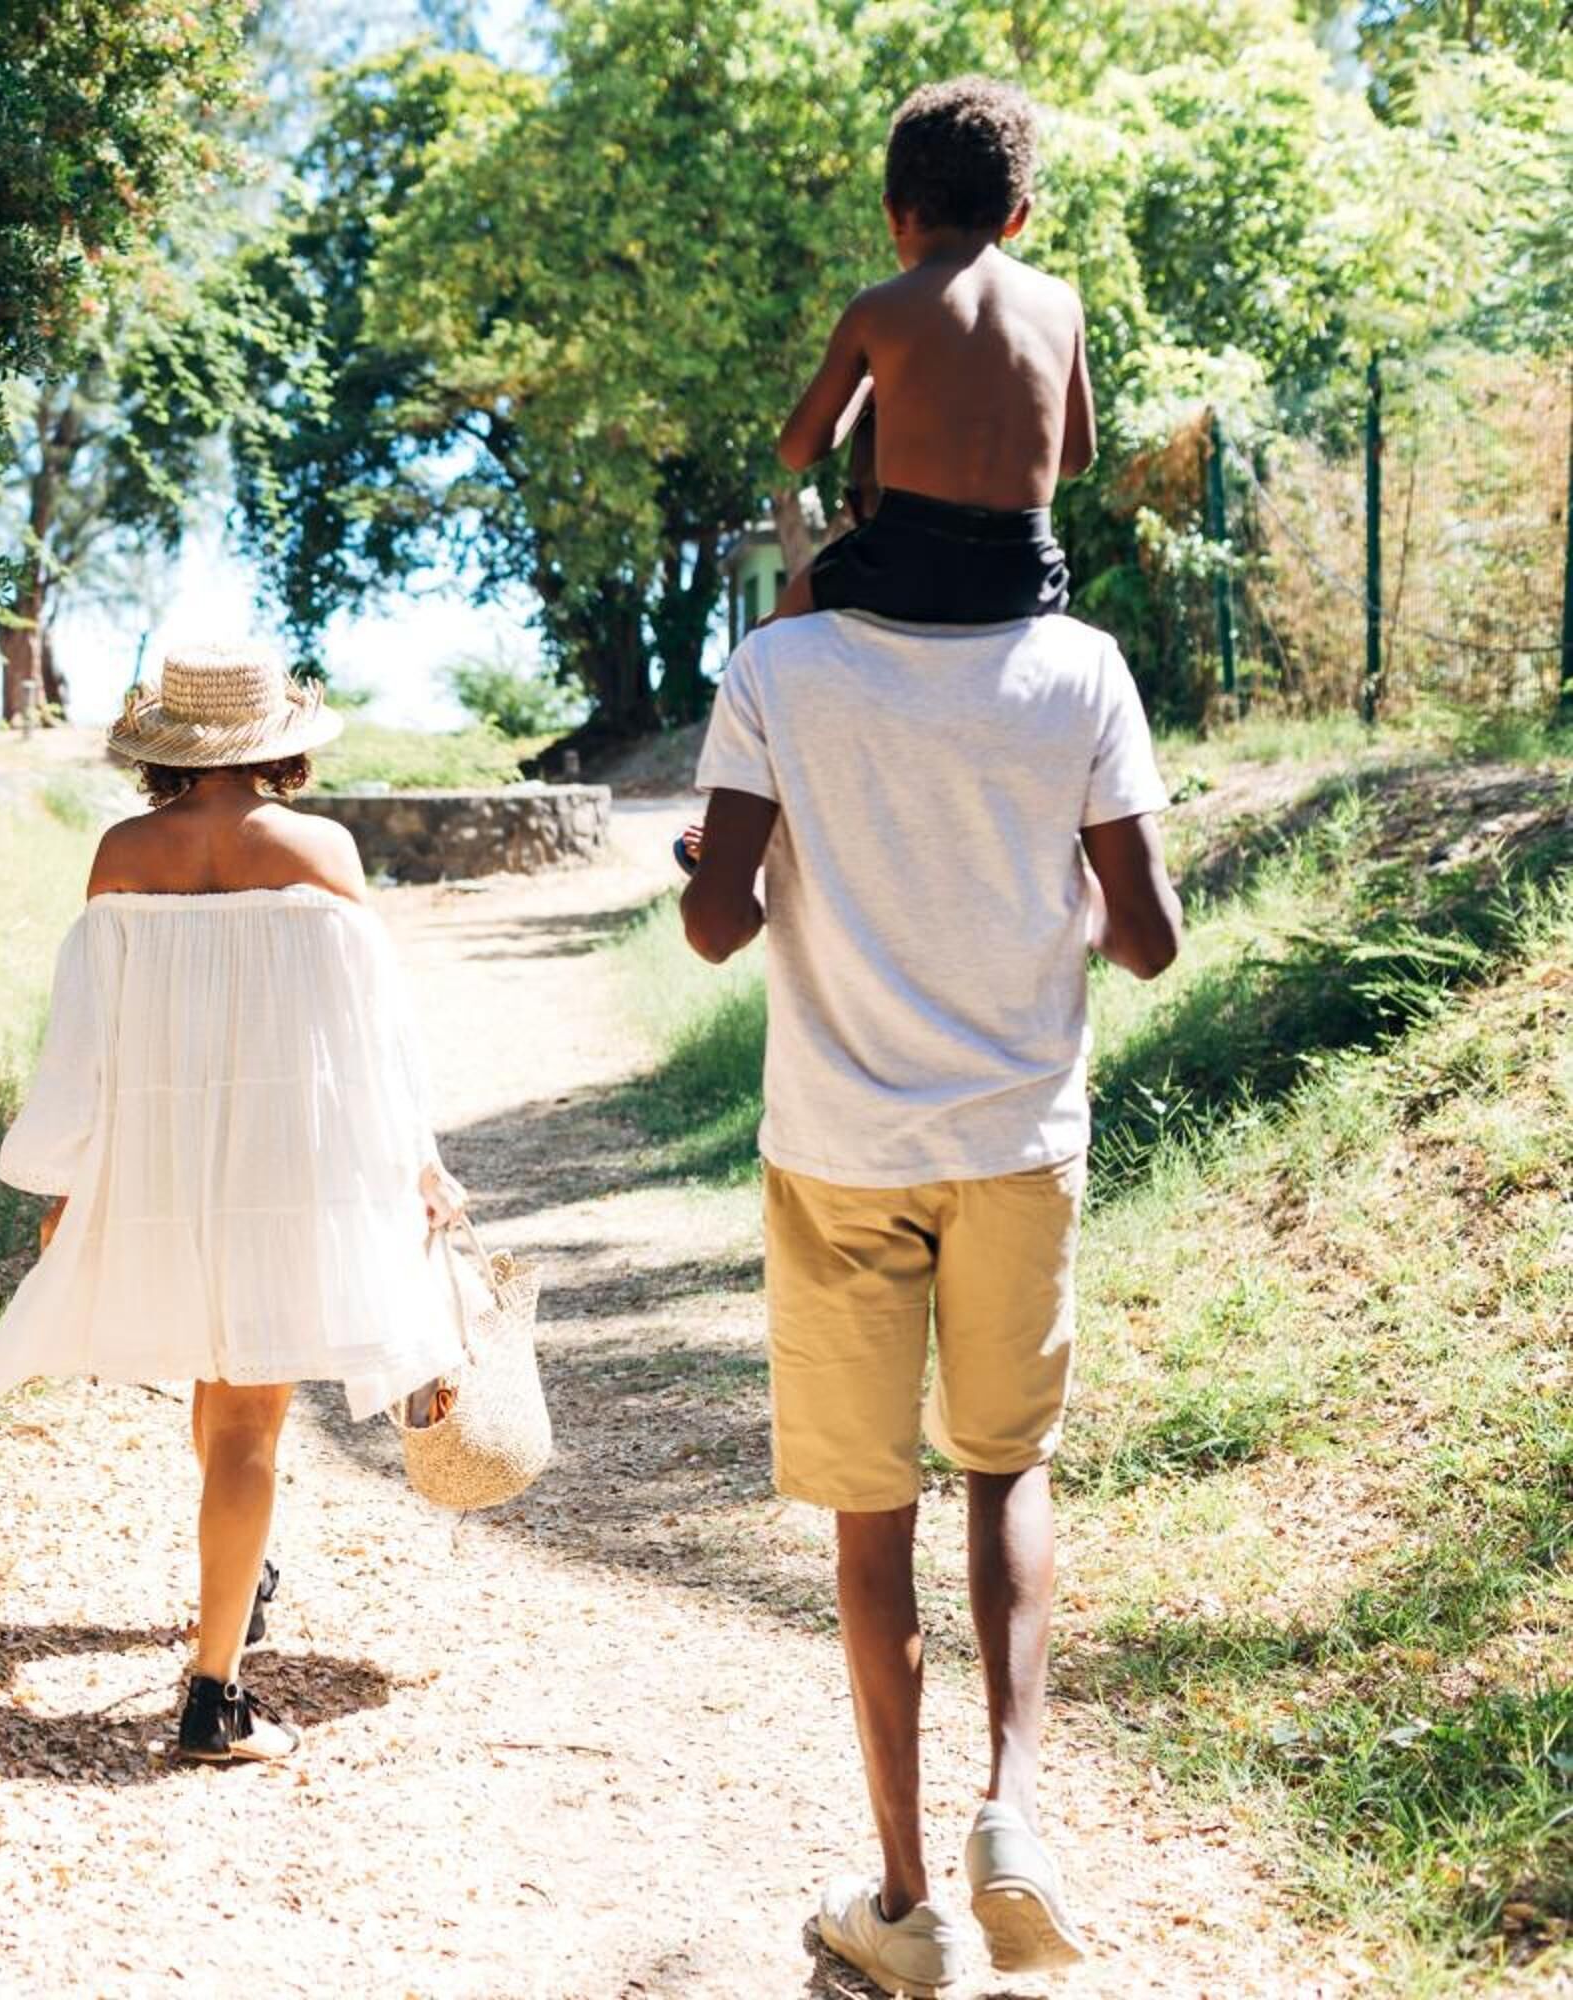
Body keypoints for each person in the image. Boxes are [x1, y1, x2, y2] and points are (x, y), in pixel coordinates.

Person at [679, 602, 1184, 1995]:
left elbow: (717, 924)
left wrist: (725, 860)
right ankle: (1010, 1813)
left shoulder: (779, 667)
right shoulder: (1080, 666)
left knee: (871, 1513)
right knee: (1006, 1466)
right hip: (1019, 1145)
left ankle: (905, 1904)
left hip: (841, 1151)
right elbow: (1150, 939)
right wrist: (1048, 894)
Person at [0, 640, 470, 1767]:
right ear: (278, 740)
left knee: (214, 1378)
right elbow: (375, 1042)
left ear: (168, 746)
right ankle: (213, 1694)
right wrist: (417, 1164)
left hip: (162, 1164)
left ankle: (236, 1578)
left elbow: (82, 1044)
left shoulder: (123, 853)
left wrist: (65, 1180)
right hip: (288, 1164)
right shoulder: (320, 849)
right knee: (248, 1415)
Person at [765, 76, 1093, 628]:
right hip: (1024, 573)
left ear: (894, 213)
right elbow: (1075, 459)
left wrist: (869, 388)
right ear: (1019, 216)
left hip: (903, 565)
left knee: (771, 631)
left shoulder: (877, 309)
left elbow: (798, 451)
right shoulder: (1060, 303)